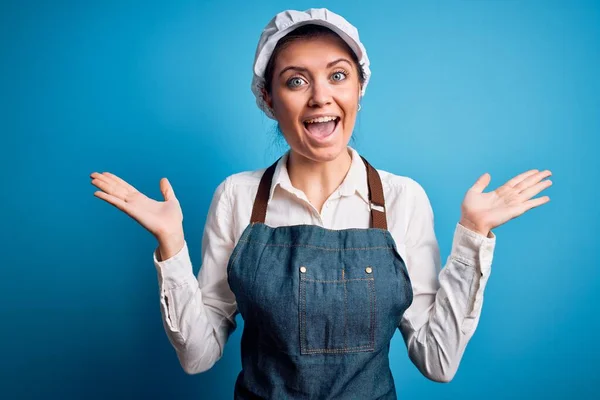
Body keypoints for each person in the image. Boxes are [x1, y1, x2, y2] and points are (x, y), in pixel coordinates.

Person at [89, 8, 552, 399]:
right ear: (269, 100)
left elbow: (437, 360)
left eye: (337, 75)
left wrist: (473, 236)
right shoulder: (237, 196)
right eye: (296, 81)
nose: (321, 96)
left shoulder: (402, 198)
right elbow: (198, 356)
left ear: (358, 88)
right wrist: (171, 244)